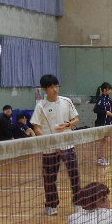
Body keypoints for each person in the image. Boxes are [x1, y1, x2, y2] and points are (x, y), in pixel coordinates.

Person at [30, 73, 81, 216]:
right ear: (45, 89)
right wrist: (49, 142)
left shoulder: (66, 101)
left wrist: (68, 124)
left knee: (74, 174)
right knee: (49, 178)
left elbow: (76, 120)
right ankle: (51, 205)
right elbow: (36, 127)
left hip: (67, 145)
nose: (55, 89)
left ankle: (78, 202)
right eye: (51, 87)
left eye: (56, 86)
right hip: (49, 148)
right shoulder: (40, 106)